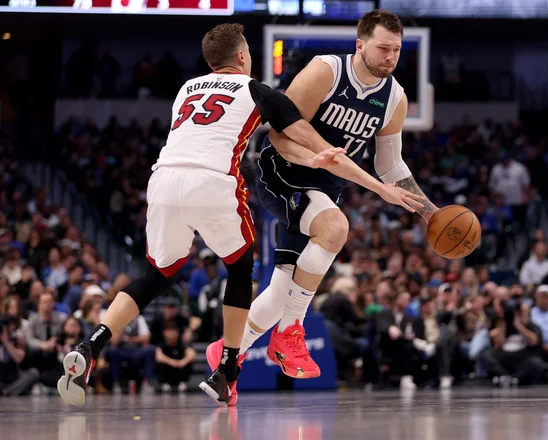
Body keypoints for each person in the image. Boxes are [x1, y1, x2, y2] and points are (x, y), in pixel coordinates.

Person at [57, 22, 349, 407]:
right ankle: (228, 367)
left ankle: (91, 343)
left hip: (163, 179)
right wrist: (323, 155)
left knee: (156, 275)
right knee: (240, 267)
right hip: (211, 181)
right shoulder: (256, 89)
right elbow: (301, 133)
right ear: (243, 56)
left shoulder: (186, 88)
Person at [204, 9, 434, 402]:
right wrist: (314, 159)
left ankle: (227, 354)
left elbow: (389, 164)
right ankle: (291, 332)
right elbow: (279, 135)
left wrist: (432, 212)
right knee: (335, 228)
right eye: (382, 48)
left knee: (280, 291)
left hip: (326, 187)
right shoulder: (325, 71)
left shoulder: (394, 97)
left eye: (396, 50)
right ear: (360, 45)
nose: (390, 57)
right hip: (283, 172)